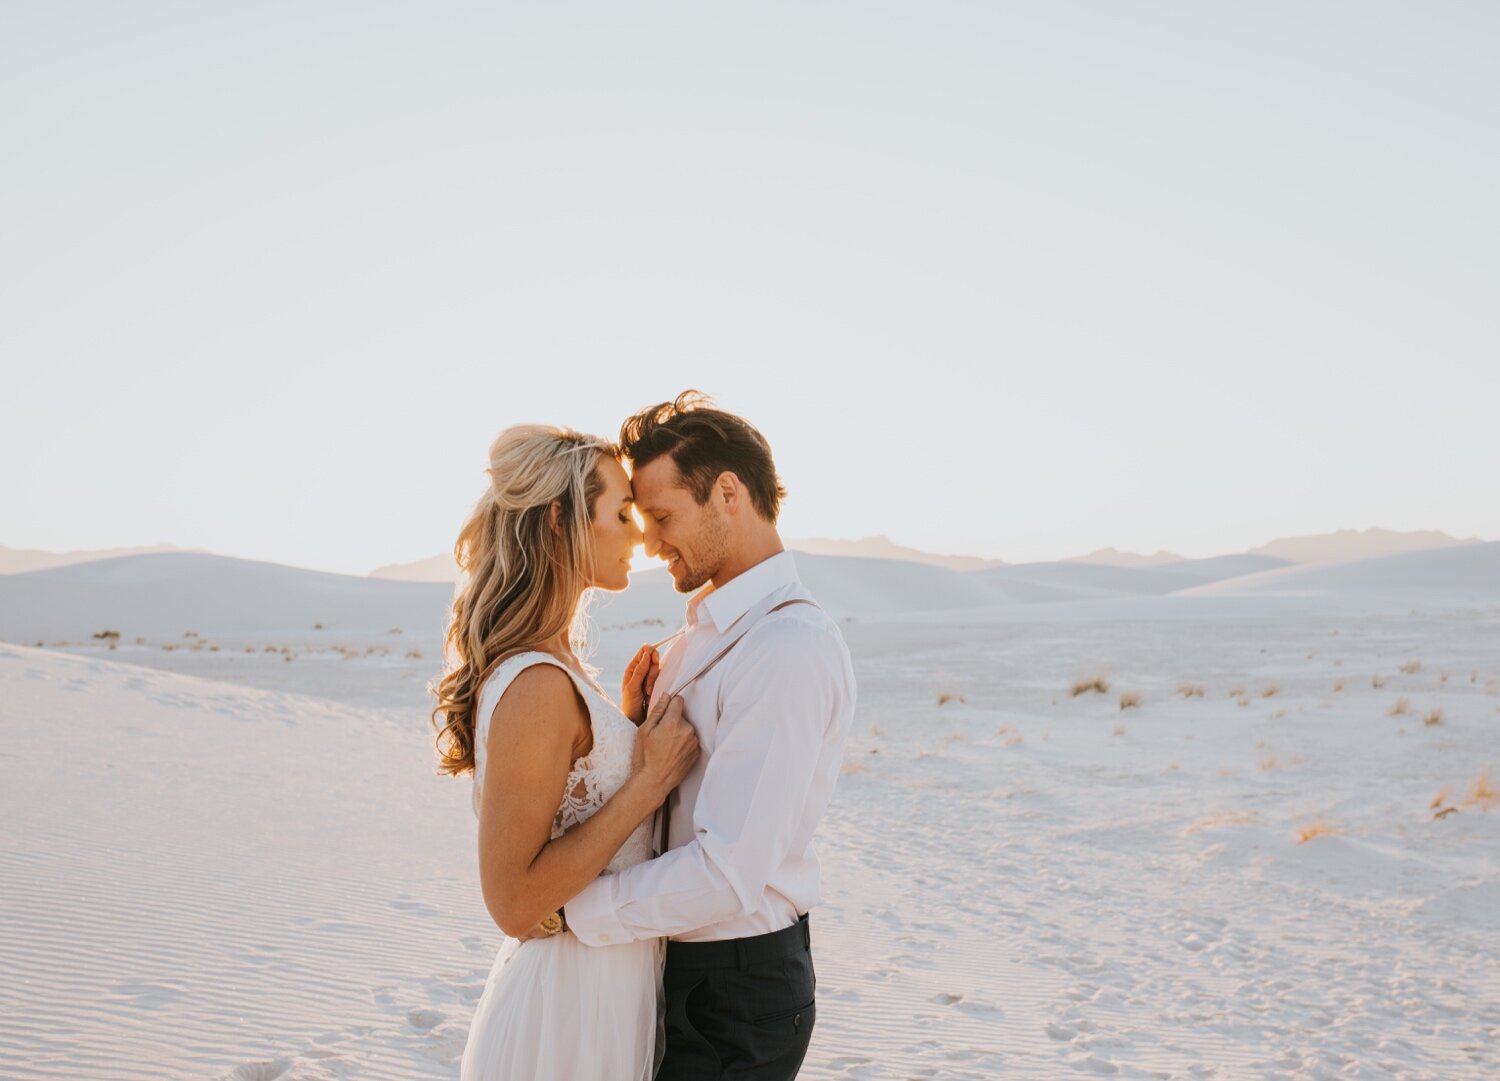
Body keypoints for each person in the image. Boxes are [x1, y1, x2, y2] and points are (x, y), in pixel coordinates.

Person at [559, 391, 858, 1080]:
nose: (650, 541)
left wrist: (573, 911)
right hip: (673, 962)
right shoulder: (702, 637)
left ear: (728, 493)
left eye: (663, 516)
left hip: (736, 992)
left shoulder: (787, 647)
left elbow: (729, 871)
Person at [431, 424, 699, 1080]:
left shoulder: (558, 666)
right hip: (565, 1012)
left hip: (604, 992)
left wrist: (628, 727)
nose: (638, 532)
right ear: (560, 520)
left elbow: (573, 806)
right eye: (620, 512)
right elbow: (514, 900)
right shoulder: (537, 684)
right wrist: (649, 779)